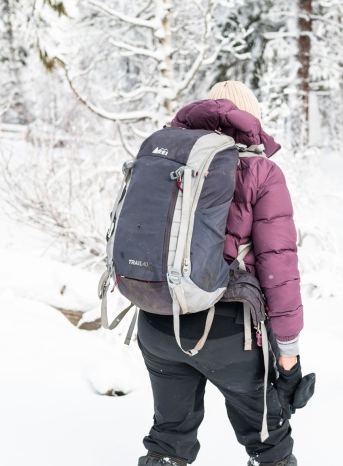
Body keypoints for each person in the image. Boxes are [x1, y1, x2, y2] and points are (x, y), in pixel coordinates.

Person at [135, 81, 306, 466]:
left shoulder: (166, 157)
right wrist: (289, 354)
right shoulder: (261, 172)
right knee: (269, 443)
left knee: (168, 440)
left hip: (160, 321)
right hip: (228, 332)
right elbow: (279, 266)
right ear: (250, 119)